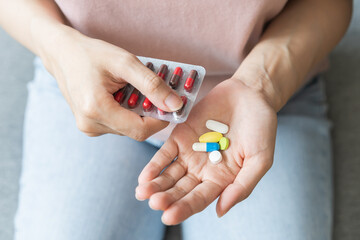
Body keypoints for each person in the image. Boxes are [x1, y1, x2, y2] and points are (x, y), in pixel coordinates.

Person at [0, 0, 352, 239]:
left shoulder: (261, 90)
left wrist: (261, 85)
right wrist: (57, 44)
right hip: (88, 82)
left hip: (263, 93)